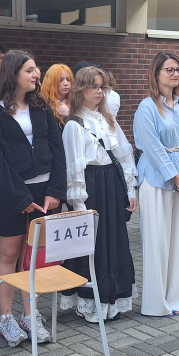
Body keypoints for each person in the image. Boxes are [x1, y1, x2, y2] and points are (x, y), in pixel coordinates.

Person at [0, 50, 66, 346]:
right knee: (8, 254)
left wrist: (55, 191)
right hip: (9, 194)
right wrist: (20, 197)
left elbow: (57, 148)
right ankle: (6, 317)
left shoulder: (41, 106)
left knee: (33, 258)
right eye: (29, 69)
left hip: (44, 194)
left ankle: (31, 315)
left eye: (36, 68)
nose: (36, 74)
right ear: (12, 73)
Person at [61, 66, 137, 323]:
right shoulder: (74, 125)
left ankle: (113, 300)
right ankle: (91, 303)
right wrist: (79, 204)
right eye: (93, 86)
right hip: (92, 187)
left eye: (102, 86)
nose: (99, 91)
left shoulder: (108, 120)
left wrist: (130, 189)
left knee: (114, 241)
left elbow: (123, 156)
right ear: (80, 89)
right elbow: (74, 169)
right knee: (94, 245)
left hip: (112, 185)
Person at [134, 52, 179, 317]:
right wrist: (173, 175)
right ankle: (157, 303)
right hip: (156, 179)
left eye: (178, 70)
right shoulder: (147, 107)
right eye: (169, 70)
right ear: (156, 73)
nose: (175, 74)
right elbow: (151, 147)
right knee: (158, 242)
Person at [40, 63, 74, 130]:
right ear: (51, 83)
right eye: (60, 80)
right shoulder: (43, 104)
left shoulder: (76, 102)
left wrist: (70, 113)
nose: (66, 83)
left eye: (68, 80)